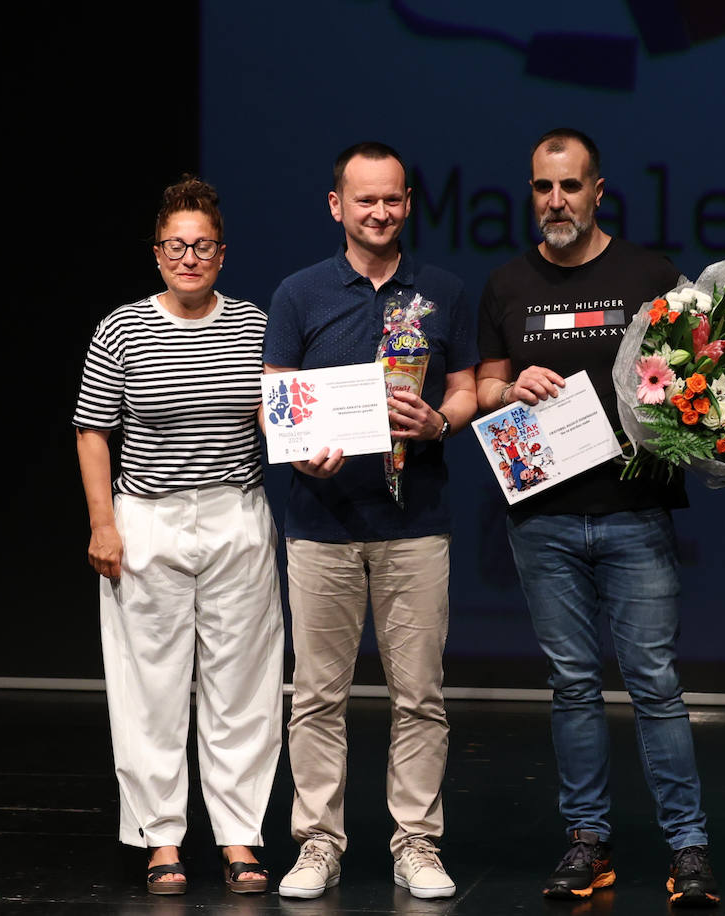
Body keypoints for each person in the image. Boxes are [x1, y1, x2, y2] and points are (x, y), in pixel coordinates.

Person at [476, 128, 721, 907]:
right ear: (532, 192)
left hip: (634, 513)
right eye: (544, 187)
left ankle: (690, 849)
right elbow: (480, 387)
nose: (557, 201)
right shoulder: (506, 283)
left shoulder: (650, 274)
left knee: (654, 681)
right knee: (573, 684)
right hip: (543, 519)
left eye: (571, 186)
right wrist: (508, 387)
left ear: (598, 191)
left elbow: (698, 384)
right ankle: (588, 843)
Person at [264, 142, 478, 900]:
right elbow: (277, 398)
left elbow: (464, 391)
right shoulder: (299, 294)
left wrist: (439, 424)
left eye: (392, 199)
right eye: (365, 201)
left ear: (409, 203)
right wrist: (298, 453)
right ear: (337, 207)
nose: (379, 212)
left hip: (415, 524)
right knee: (316, 695)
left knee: (420, 694)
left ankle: (416, 843)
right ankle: (318, 844)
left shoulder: (443, 291)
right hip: (320, 523)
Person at [73, 177, 284, 896]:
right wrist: (103, 522)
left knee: (244, 687)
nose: (188, 257)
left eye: (202, 246)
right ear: (157, 251)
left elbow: (273, 418)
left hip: (236, 515)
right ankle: (162, 839)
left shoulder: (254, 323)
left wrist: (313, 439)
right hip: (148, 521)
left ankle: (239, 836)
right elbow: (93, 430)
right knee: (150, 687)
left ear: (222, 253)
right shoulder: (121, 328)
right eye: (175, 245)